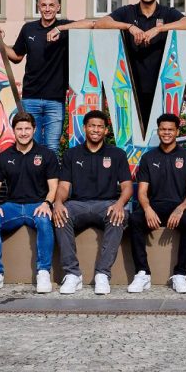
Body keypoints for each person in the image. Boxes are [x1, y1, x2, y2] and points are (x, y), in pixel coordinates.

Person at [92, 0, 186, 124]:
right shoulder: (128, 12)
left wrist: (159, 29)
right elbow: (100, 23)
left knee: (159, 131)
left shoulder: (166, 13)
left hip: (161, 84)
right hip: (132, 85)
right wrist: (129, 27)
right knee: (132, 131)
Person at [52, 110, 133, 295]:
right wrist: (57, 203)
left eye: (100, 126)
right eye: (92, 126)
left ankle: (102, 274)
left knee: (118, 216)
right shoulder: (72, 154)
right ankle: (72, 274)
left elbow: (127, 187)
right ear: (85, 128)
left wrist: (120, 204)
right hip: (78, 204)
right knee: (61, 215)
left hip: (107, 204)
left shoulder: (117, 154)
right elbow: (64, 187)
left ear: (106, 131)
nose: (96, 130)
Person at [0, 112, 59, 294]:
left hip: (38, 204)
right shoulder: (3, 157)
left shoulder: (46, 155)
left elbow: (53, 187)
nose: (23, 133)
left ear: (34, 130)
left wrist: (47, 203)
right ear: (13, 131)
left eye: (27, 129)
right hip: (12, 206)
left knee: (44, 221)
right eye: (19, 129)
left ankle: (43, 272)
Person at [129, 113, 186, 294]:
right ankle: (142, 273)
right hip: (156, 206)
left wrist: (181, 208)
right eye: (163, 129)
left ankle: (180, 274)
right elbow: (142, 192)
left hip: (179, 206)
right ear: (158, 131)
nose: (166, 133)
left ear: (177, 132)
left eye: (170, 130)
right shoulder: (148, 158)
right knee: (135, 219)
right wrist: (147, 209)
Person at [3, 0, 74, 152]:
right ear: (38, 7)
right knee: (29, 146)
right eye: (43, 5)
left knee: (52, 147)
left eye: (51, 5)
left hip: (55, 99)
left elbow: (90, 24)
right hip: (30, 97)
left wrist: (60, 29)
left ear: (58, 7)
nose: (47, 9)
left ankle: (51, 179)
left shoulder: (65, 27)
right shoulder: (29, 29)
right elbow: (16, 56)